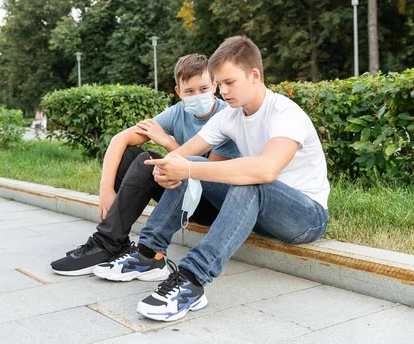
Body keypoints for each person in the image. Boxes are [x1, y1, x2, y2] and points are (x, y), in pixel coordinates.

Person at [92, 36, 330, 322]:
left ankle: (192, 279)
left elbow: (265, 170)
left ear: (254, 75)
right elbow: (183, 156)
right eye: (220, 83)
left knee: (247, 179)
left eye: (230, 82)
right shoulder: (229, 116)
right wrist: (164, 169)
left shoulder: (285, 113)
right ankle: (149, 254)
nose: (223, 91)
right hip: (260, 213)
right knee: (190, 163)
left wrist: (188, 170)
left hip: (305, 217)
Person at [50, 54, 240, 276]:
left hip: (213, 205)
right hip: (180, 194)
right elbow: (120, 139)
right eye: (189, 91)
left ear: (215, 86)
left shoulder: (228, 116)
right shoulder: (178, 112)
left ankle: (126, 248)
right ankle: (112, 243)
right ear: (179, 92)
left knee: (155, 162)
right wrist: (106, 190)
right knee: (133, 155)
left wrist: (167, 141)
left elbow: (208, 174)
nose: (197, 96)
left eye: (203, 89)